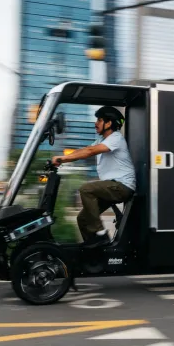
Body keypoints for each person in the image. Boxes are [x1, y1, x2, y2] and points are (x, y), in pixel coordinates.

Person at [52, 106, 136, 248]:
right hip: (111, 187)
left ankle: (101, 234)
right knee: (83, 219)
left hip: (122, 186)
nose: (95, 123)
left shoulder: (116, 138)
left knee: (86, 189)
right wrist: (62, 158)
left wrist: (63, 159)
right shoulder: (102, 140)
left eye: (99, 120)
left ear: (108, 123)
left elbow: (90, 151)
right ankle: (95, 250)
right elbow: (84, 150)